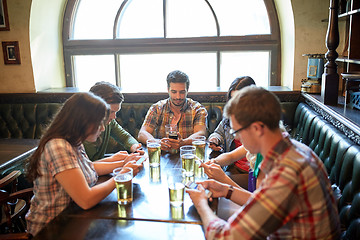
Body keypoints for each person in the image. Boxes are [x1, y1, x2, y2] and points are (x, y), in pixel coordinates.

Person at [187, 86, 341, 239]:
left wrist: (201, 204)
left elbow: (226, 237)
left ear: (257, 129)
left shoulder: (286, 172)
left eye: (237, 132)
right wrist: (226, 190)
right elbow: (264, 204)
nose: (238, 138)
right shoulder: (297, 150)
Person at [25, 92, 143, 236]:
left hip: (74, 218)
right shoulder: (58, 147)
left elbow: (88, 168)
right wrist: (122, 175)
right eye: (99, 123)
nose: (103, 128)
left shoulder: (74, 140)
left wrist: (123, 163)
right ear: (82, 121)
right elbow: (86, 200)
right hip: (51, 228)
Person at [138, 70, 208, 151]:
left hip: (188, 154)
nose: (178, 97)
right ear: (168, 89)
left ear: (187, 90)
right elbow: (142, 133)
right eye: (174, 92)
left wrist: (183, 142)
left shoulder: (198, 109)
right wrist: (157, 142)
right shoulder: (157, 108)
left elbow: (201, 133)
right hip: (163, 156)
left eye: (182, 92)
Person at [83, 82, 144, 161]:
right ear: (95, 107)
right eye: (111, 112)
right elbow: (85, 166)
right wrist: (119, 161)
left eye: (116, 112)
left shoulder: (109, 122)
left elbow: (125, 137)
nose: (114, 117)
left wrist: (135, 147)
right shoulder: (78, 126)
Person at [208, 76, 256, 175]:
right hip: (233, 167)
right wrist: (215, 139)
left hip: (252, 173)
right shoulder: (231, 116)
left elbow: (232, 156)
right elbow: (219, 133)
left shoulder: (261, 125)